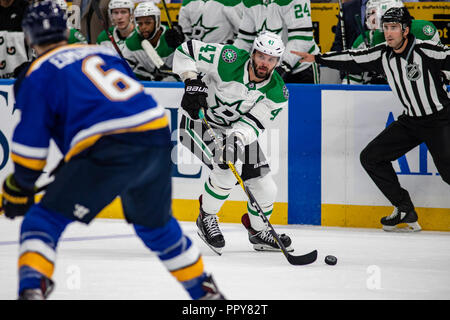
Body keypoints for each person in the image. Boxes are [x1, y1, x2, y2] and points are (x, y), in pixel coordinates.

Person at [1, 0, 224, 300]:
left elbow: (30, 150)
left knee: (42, 221)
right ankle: (206, 292)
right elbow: (118, 105)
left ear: (29, 36)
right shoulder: (100, 52)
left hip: (109, 147)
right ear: (65, 31)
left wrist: (19, 186)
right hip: (156, 136)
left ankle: (31, 290)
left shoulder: (37, 74)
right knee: (155, 228)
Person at [291, 7, 450, 232]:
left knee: (448, 172)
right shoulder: (382, 53)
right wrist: (318, 58)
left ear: (405, 30)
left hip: (440, 120)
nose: (388, 33)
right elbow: (352, 58)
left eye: (394, 28)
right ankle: (403, 207)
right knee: (371, 157)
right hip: (411, 121)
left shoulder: (426, 51)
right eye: (386, 28)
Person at [172, 31, 293, 254]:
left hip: (236, 132)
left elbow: (252, 124)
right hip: (198, 122)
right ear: (253, 53)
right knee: (227, 170)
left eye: (271, 59)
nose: (264, 63)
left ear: (277, 62)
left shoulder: (278, 93)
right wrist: (191, 81)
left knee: (266, 188)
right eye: (261, 56)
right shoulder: (228, 58)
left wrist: (234, 141)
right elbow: (186, 50)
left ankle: (258, 232)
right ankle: (206, 217)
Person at [346, 0, 441, 84]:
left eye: (373, 12)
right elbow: (353, 77)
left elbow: (441, 66)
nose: (370, 17)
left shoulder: (423, 30)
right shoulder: (366, 39)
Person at [233, 0, 320, 84]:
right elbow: (245, 40)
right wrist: (233, 60)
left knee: (304, 99)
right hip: (268, 68)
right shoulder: (251, 2)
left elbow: (302, 39)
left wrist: (282, 67)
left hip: (301, 68)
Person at [122, 1, 184, 81]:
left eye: (148, 23)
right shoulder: (131, 42)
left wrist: (181, 44)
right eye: (140, 23)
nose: (143, 27)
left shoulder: (173, 36)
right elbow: (123, 70)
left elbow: (192, 65)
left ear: (157, 22)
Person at [178, 0, 243, 44]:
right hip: (196, 55)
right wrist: (179, 37)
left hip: (223, 54)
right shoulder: (187, 2)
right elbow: (185, 33)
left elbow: (244, 34)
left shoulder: (231, 2)